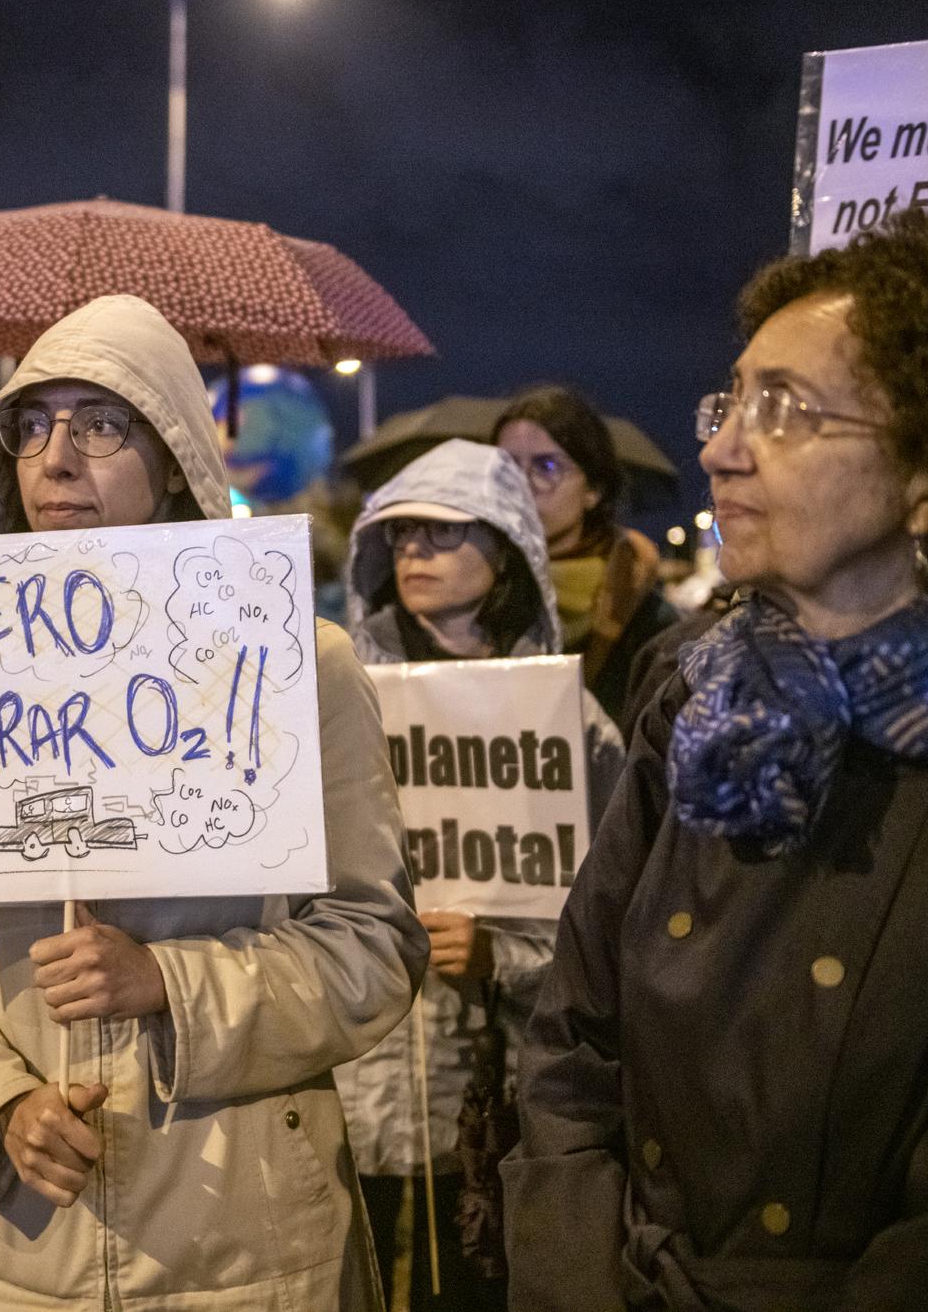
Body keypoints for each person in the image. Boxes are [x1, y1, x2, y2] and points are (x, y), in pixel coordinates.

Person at [502, 213, 928, 1308]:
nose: (721, 446)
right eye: (729, 400)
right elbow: (572, 1039)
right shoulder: (692, 688)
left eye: (785, 409)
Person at [0, 294, 425, 1310]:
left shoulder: (298, 665)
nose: (55, 457)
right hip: (7, 1245)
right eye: (31, 424)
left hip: (237, 1250)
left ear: (175, 455)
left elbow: (370, 944)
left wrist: (168, 981)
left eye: (99, 422)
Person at [334, 438, 622, 1308]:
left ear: (503, 551)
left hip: (490, 1088)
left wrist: (504, 956)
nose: (414, 552)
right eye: (403, 533)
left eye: (445, 533)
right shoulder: (331, 692)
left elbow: (610, 912)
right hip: (352, 1060)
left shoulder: (569, 721)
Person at [491, 385, 676, 720]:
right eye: (506, 468)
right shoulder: (469, 597)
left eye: (546, 467)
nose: (521, 485)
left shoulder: (645, 617)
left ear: (594, 490)